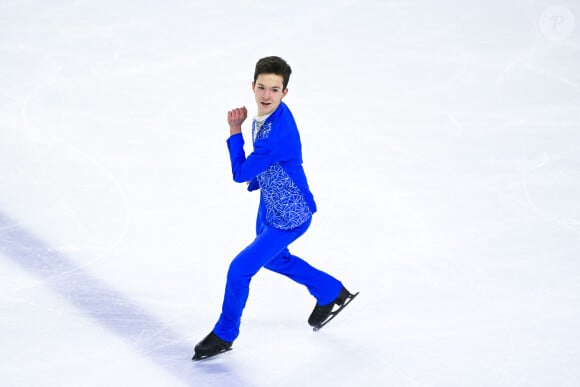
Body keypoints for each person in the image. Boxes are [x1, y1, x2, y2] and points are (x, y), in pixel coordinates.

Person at [193, 56, 357, 361]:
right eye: (261, 87)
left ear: (285, 93)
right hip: (271, 204)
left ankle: (224, 333)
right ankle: (330, 290)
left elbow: (240, 172)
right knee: (274, 260)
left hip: (290, 215)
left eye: (274, 89)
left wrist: (233, 130)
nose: (266, 95)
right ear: (253, 86)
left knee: (239, 269)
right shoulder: (270, 116)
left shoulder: (274, 135)